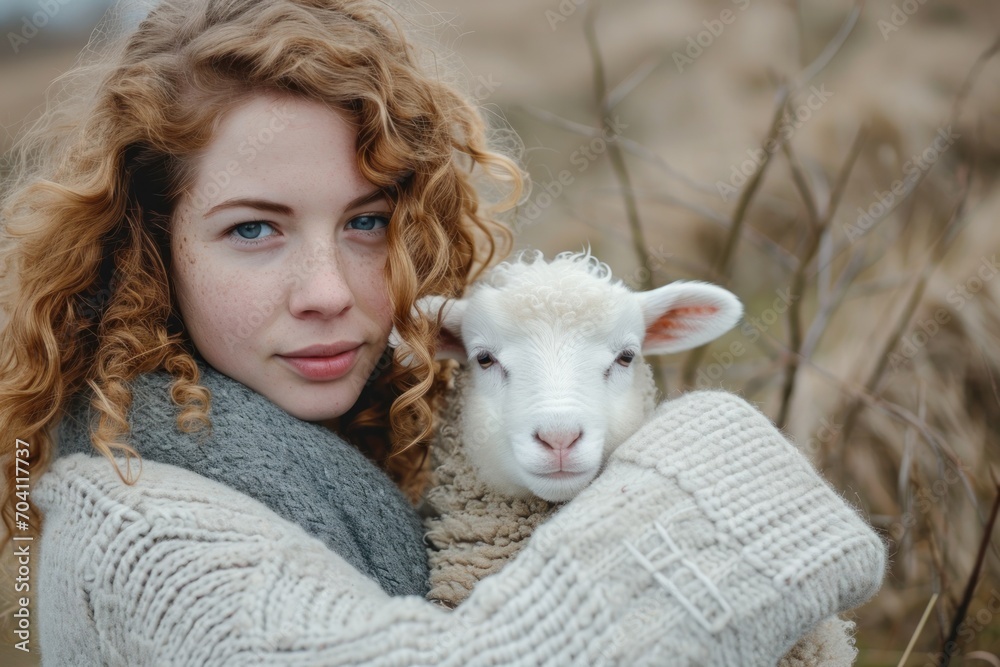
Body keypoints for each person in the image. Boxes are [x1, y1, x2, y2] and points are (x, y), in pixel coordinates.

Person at [0, 0, 886, 664]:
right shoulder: (137, 519)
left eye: (367, 222)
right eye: (254, 229)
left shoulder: (397, 430)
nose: (329, 292)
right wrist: (717, 469)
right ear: (150, 248)